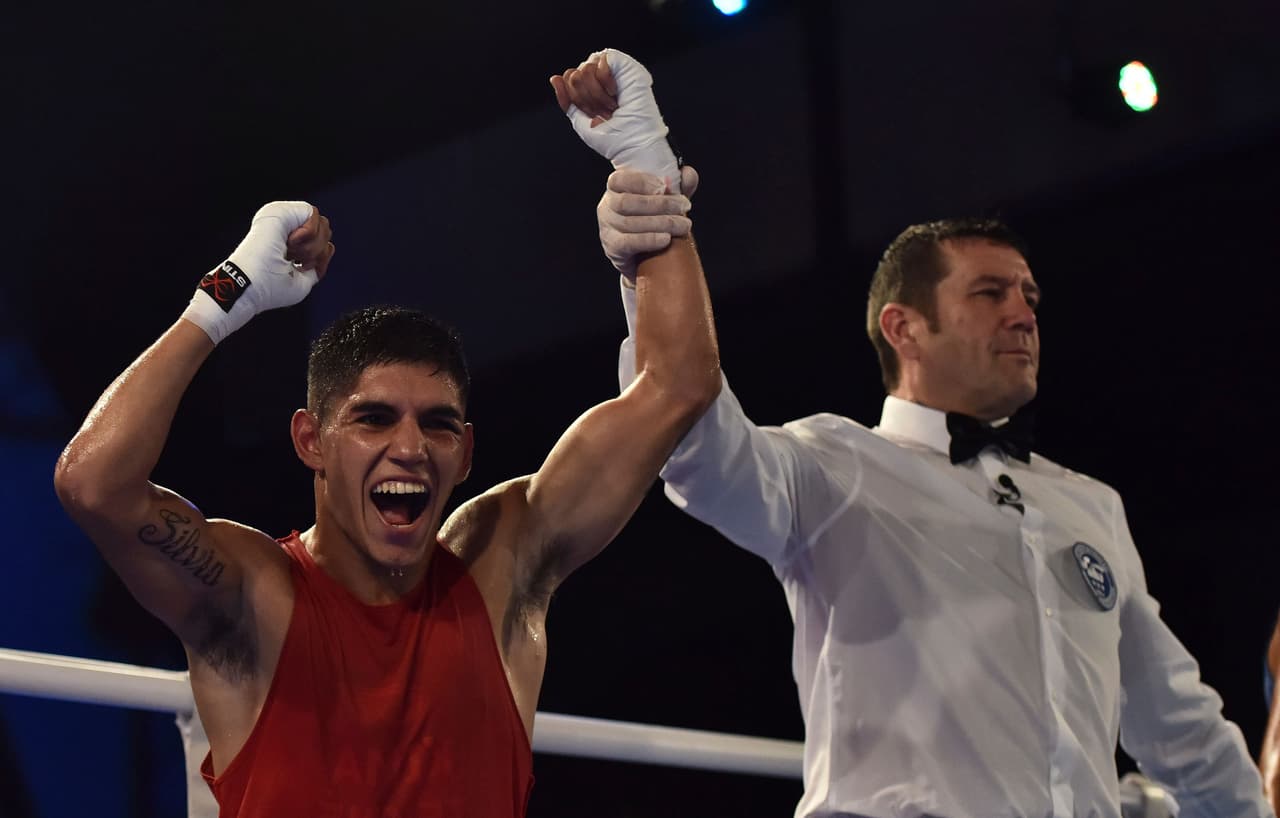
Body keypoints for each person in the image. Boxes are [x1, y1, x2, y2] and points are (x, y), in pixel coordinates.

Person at [554, 49, 1272, 818]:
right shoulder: (836, 466)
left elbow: (1185, 730)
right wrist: (647, 184)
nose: (1023, 314)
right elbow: (692, 436)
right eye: (990, 293)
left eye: (1029, 295)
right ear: (905, 328)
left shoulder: (1090, 506)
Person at [53, 192, 718, 817]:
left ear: (464, 453)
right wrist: (225, 295)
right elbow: (93, 483)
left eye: (437, 424)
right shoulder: (254, 596)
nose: (411, 447)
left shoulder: (500, 564)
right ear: (311, 440)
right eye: (374, 419)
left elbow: (679, 385)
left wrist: (644, 172)